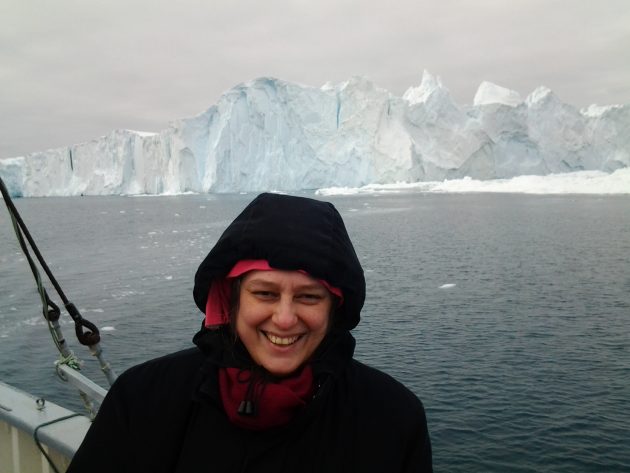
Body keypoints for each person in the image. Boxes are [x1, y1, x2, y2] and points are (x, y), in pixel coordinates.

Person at [67, 193, 432, 472]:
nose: (285, 319)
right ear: (231, 300)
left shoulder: (392, 419)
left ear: (333, 309)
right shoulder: (143, 400)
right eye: (265, 294)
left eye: (308, 297)